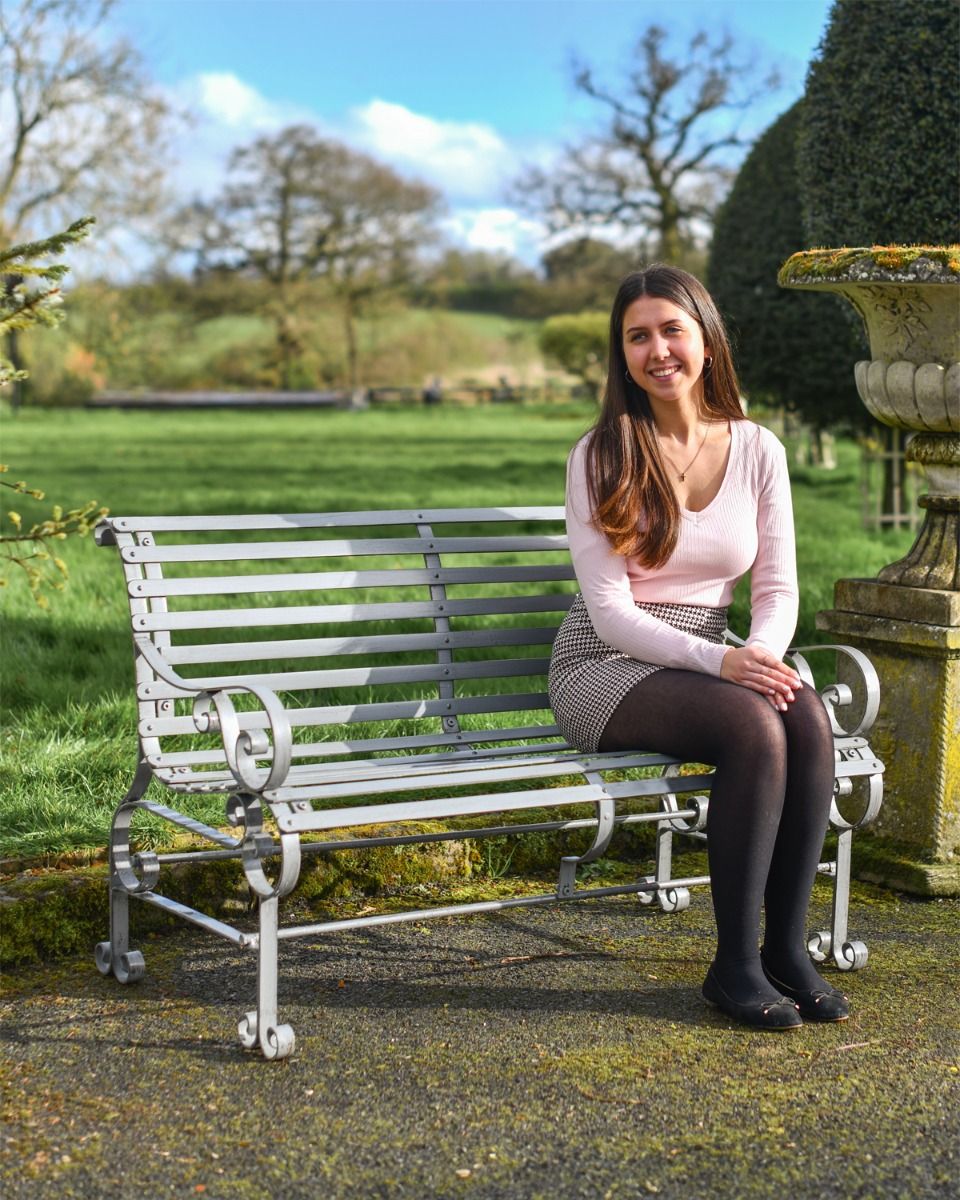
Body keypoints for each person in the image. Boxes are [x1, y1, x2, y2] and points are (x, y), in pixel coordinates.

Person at [549, 265, 847, 1031]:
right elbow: (610, 613)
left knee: (803, 715)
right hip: (604, 666)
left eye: (671, 329)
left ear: (706, 341)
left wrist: (764, 660)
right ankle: (733, 967)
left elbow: (778, 589)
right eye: (637, 336)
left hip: (711, 658)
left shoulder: (757, 448)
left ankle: (785, 949)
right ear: (623, 357)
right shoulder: (602, 454)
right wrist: (724, 665)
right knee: (751, 724)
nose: (657, 350)